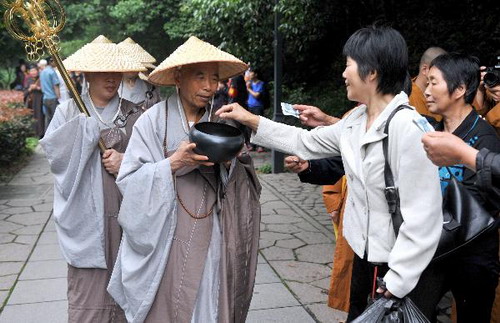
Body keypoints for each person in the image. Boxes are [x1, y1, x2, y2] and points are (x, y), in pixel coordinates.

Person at [217, 26, 444, 321]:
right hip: (364, 260)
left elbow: (425, 215)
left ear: (371, 71)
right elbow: (305, 142)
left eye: (348, 64)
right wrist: (249, 119)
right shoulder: (356, 120)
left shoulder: (408, 128)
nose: (344, 73)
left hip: (397, 268)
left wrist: (398, 279)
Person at [107, 36, 261, 323]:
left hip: (216, 232)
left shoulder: (224, 123)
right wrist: (172, 164)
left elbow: (248, 183)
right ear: (178, 77)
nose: (209, 86)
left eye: (214, 78)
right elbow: (128, 180)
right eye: (200, 76)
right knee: (170, 305)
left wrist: (231, 164)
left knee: (211, 302)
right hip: (168, 236)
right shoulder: (152, 121)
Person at [39, 35, 146, 322]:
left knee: (131, 287)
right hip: (87, 214)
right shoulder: (68, 112)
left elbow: (152, 161)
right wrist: (84, 136)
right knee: (88, 294)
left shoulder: (135, 114)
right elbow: (55, 157)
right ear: (87, 74)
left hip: (126, 212)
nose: (111, 79)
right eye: (102, 72)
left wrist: (126, 161)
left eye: (115, 72)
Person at [424, 53, 500, 323]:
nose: (426, 90)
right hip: (431, 248)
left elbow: (479, 203)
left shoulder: (485, 137)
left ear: (458, 89)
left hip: (473, 255)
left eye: (434, 83)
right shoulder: (429, 131)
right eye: (426, 82)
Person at [117, 37, 161, 110]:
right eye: (127, 64)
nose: (131, 68)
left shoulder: (150, 87)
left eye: (134, 64)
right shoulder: (111, 86)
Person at [410, 47, 447, 121]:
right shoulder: (406, 95)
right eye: (441, 71)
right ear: (425, 69)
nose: (445, 76)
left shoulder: (444, 96)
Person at [246, 69, 266, 152]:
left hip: (258, 107)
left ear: (256, 74)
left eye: (251, 73)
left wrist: (249, 89)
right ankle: (251, 145)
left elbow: (256, 95)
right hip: (249, 106)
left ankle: (260, 146)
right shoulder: (249, 83)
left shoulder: (261, 84)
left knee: (258, 126)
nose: (249, 74)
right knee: (249, 126)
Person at [23, 64, 44, 138]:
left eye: (34, 70)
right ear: (29, 72)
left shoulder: (41, 79)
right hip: (31, 102)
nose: (33, 72)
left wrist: (38, 88)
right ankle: (33, 134)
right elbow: (24, 93)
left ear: (37, 71)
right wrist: (30, 89)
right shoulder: (28, 80)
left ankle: (41, 133)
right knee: (32, 116)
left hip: (40, 101)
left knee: (40, 116)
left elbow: (45, 90)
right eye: (31, 71)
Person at [40, 56, 61, 130]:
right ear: (51, 61)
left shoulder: (42, 72)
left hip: (45, 98)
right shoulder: (52, 72)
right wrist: (58, 96)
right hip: (52, 98)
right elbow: (56, 85)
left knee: (48, 118)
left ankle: (47, 135)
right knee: (55, 118)